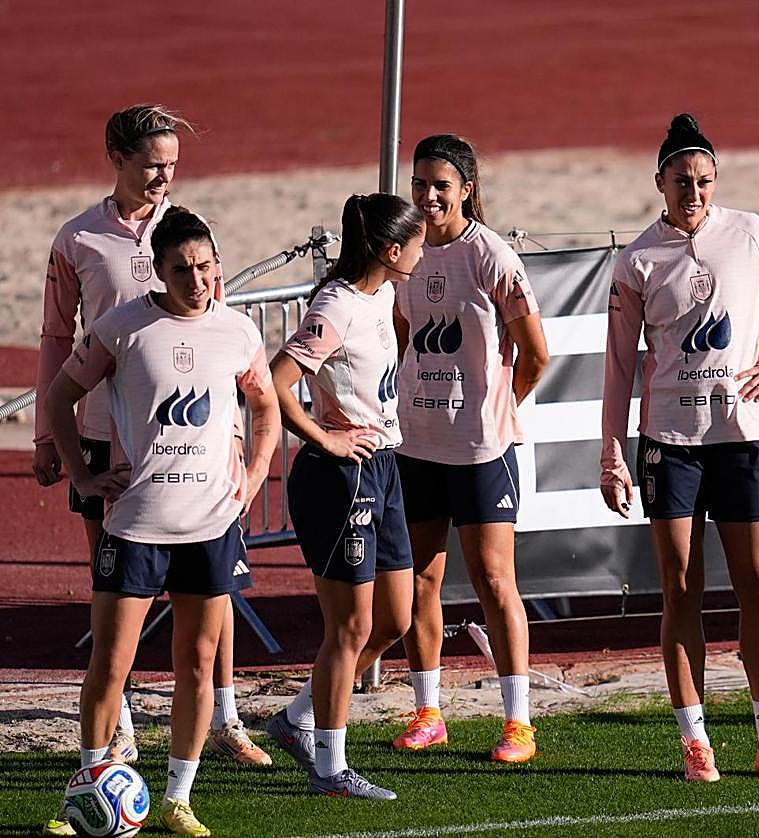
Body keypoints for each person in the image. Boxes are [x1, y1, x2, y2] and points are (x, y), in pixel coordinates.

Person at [36, 105, 270, 838]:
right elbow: (58, 351)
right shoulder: (81, 241)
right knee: (114, 649)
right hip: (121, 465)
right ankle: (101, 770)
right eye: (151, 161)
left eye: (172, 160)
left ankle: (197, 762)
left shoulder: (202, 260)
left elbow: (246, 378)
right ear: (116, 157)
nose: (164, 172)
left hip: (205, 482)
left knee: (203, 646)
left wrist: (250, 464)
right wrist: (65, 450)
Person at [600, 114, 759, 782]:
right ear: (660, 182)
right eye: (682, 180)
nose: (695, 191)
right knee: (681, 591)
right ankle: (695, 742)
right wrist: (611, 451)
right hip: (669, 447)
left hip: (742, 442)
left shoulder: (752, 232)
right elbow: (619, 366)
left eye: (705, 179)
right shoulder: (638, 260)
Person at [389, 134, 548, 764]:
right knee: (421, 583)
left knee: (493, 581)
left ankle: (518, 723)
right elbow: (402, 338)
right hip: (416, 446)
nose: (428, 197)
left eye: (440, 186)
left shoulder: (492, 258)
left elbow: (535, 355)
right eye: (420, 184)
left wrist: (501, 406)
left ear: (467, 190)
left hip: (482, 449)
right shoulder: (404, 253)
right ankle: (429, 711)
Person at [265, 193, 425, 799]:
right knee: (350, 627)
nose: (422, 248)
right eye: (414, 242)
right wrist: (326, 440)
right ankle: (330, 769)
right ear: (390, 250)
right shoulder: (334, 305)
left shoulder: (385, 293)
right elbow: (275, 383)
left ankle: (297, 718)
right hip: (342, 477)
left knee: (394, 619)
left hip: (383, 468)